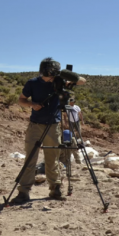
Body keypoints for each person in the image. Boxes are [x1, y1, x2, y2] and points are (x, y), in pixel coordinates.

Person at [11, 57, 86, 204]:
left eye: (53, 75)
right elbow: (21, 100)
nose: (50, 78)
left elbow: (82, 81)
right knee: (30, 158)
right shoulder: (32, 83)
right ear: (43, 71)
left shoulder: (59, 81)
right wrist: (32, 104)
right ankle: (23, 192)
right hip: (35, 125)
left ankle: (55, 189)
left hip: (53, 125)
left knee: (53, 159)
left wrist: (67, 75)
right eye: (49, 75)